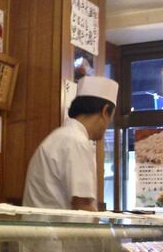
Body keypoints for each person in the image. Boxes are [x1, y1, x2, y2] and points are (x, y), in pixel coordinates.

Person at [22, 76, 119, 211]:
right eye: (111, 119)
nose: (108, 125)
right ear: (105, 111)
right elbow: (83, 205)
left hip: (46, 229)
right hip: (55, 231)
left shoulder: (62, 136)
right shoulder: (76, 141)